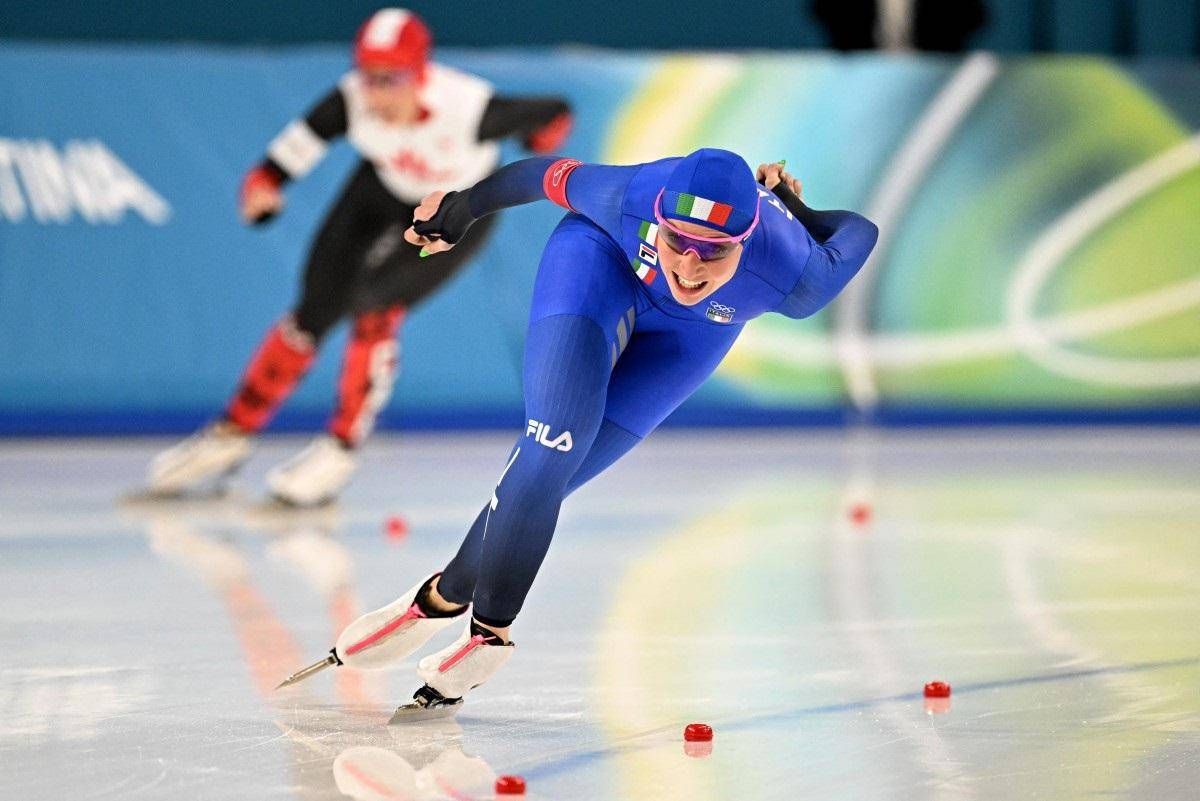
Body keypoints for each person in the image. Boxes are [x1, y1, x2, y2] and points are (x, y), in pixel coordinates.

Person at [277, 148, 879, 716]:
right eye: (677, 240)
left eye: (714, 252)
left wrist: (797, 209)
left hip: (693, 337)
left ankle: (443, 595)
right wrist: (461, 210)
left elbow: (860, 231)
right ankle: (489, 634)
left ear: (745, 242)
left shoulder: (797, 275)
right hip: (597, 267)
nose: (689, 266)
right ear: (660, 218)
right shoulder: (631, 195)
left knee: (553, 477)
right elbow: (542, 177)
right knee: (553, 443)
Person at [145, 8, 572, 506]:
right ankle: (231, 434)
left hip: (453, 208)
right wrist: (264, 185)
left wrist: (538, 139)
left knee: (375, 305)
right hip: (380, 189)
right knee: (313, 309)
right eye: (369, 77)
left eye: (391, 80)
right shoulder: (351, 101)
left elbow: (556, 110)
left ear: (420, 74)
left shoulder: (470, 109)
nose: (376, 94)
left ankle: (340, 449)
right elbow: (294, 148)